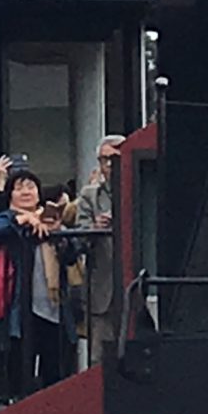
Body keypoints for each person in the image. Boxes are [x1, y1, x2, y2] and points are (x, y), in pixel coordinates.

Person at [0, 171, 74, 396]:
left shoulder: (49, 218)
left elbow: (73, 254)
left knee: (54, 371)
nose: (26, 192)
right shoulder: (7, 218)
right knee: (19, 370)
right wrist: (23, 219)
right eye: (19, 187)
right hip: (19, 308)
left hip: (53, 307)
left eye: (31, 186)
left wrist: (57, 234)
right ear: (10, 194)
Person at [78, 138, 124, 358]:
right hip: (102, 290)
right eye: (105, 160)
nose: (110, 166)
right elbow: (79, 239)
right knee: (99, 359)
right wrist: (94, 228)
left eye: (115, 159)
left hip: (136, 287)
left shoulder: (143, 184)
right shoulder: (89, 196)